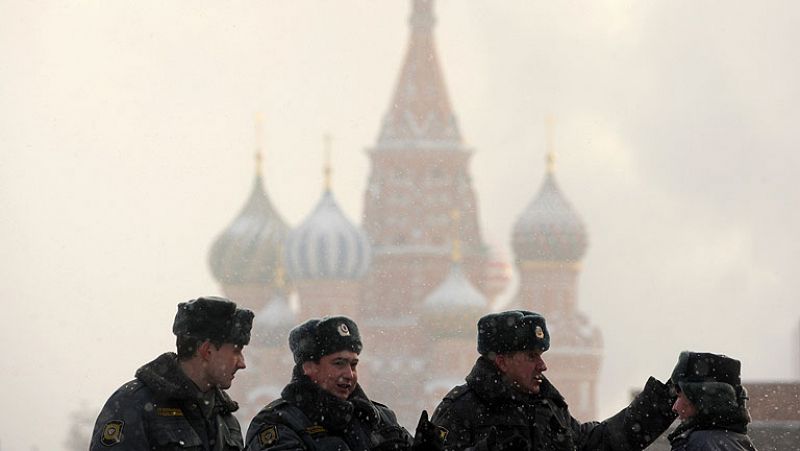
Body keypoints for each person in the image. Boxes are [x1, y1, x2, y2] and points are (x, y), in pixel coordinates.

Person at [430, 310, 677, 451]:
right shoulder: (459, 410)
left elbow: (597, 443)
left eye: (541, 355)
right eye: (531, 356)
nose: (542, 365)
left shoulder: (546, 406)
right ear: (502, 361)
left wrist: (664, 401)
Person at [245, 315, 445, 451]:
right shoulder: (277, 423)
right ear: (309, 367)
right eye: (338, 363)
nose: (349, 374)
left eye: (354, 364)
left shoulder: (379, 418)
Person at [90, 296, 254, 451]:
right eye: (236, 351)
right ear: (207, 351)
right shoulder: (132, 405)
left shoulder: (225, 419)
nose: (242, 363)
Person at [668, 351, 758, 451]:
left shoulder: (694, 444)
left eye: (679, 396)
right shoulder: (742, 443)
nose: (675, 407)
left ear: (702, 400)